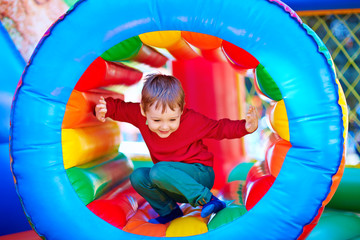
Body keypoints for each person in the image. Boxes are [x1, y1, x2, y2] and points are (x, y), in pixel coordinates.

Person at [95, 73, 258, 224]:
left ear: (181, 109)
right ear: (144, 111)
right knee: (138, 176)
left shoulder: (191, 120)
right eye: (157, 120)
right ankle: (170, 211)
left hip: (199, 175)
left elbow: (219, 128)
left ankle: (209, 200)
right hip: (170, 182)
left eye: (172, 119)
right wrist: (104, 108)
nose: (165, 126)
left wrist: (245, 127)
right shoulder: (139, 114)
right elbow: (119, 108)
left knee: (158, 170)